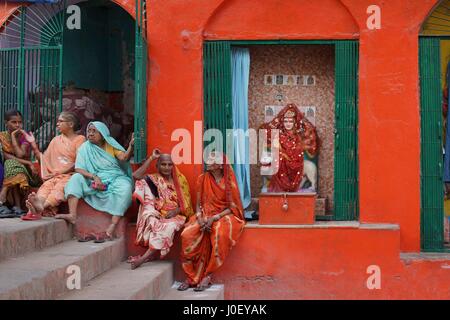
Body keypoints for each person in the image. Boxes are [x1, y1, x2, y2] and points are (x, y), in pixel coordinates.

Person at [178, 151, 245, 292]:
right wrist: (201, 218)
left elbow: (232, 208)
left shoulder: (229, 182)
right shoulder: (202, 178)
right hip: (203, 215)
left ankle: (208, 275)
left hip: (223, 215)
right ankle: (191, 277)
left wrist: (214, 218)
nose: (207, 161)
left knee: (219, 234)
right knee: (187, 235)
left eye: (212, 159)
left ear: (220, 165)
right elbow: (198, 204)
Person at [56, 121, 134, 241]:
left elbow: (124, 158)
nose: (90, 134)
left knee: (126, 187)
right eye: (89, 131)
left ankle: (113, 225)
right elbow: (78, 168)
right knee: (75, 178)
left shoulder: (110, 145)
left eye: (94, 131)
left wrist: (131, 146)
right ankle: (72, 214)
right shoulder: (85, 147)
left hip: (115, 177)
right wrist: (94, 177)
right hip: (93, 179)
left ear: (102, 134)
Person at [128, 149, 194, 270]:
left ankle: (143, 258)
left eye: (169, 164)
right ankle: (150, 254)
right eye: (163, 164)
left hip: (176, 215)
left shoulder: (180, 180)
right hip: (158, 212)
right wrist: (152, 158)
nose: (167, 167)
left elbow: (187, 204)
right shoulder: (153, 178)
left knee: (167, 226)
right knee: (142, 187)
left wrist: (176, 211)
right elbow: (136, 176)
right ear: (158, 166)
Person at [20, 112, 86, 220]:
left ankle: (39, 208)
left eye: (61, 121)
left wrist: (62, 172)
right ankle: (36, 206)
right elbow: (44, 159)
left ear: (71, 124)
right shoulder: (56, 140)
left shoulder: (80, 139)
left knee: (59, 188)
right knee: (45, 188)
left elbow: (79, 161)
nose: (57, 124)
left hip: (70, 176)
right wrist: (32, 143)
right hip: (54, 176)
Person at [260, 103, 318, 192]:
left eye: (290, 121)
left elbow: (310, 134)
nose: (288, 124)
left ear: (294, 122)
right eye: (285, 121)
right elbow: (266, 132)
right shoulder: (278, 135)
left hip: (297, 165)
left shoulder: (299, 136)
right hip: (281, 166)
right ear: (282, 122)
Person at [0, 110, 41, 217]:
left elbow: (19, 154)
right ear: (6, 122)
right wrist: (29, 162)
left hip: (26, 169)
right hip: (9, 168)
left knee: (12, 165)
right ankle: (16, 207)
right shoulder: (2, 136)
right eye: (14, 122)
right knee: (10, 165)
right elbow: (6, 156)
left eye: (20, 122)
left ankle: (5, 193)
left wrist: (13, 137)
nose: (17, 125)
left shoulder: (24, 136)